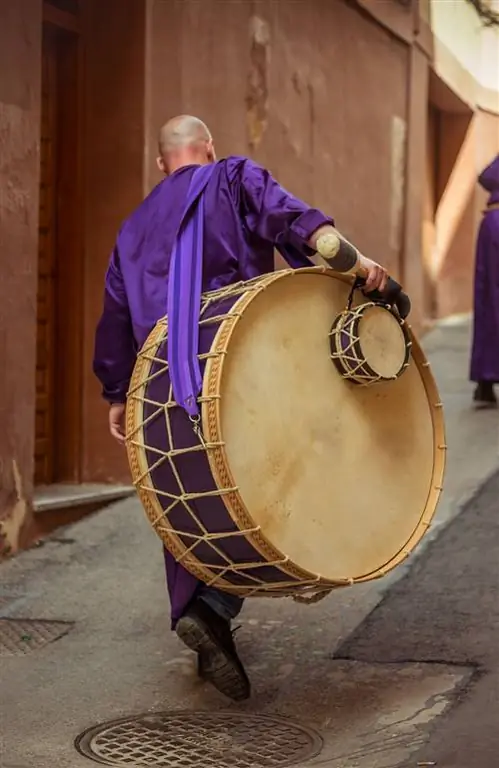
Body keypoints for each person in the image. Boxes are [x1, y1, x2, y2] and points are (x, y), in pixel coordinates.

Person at [93, 115, 388, 701]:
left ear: (162, 163)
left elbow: (115, 315)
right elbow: (301, 227)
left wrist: (117, 392)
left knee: (187, 494)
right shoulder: (232, 177)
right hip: (239, 364)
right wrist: (358, 265)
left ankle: (201, 611)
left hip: (162, 381)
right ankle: (217, 604)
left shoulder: (132, 227)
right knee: (260, 481)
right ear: (208, 148)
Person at [470, 154, 499, 408]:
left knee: (487, 300)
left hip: (491, 224)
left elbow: (486, 176)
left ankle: (485, 381)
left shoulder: (489, 221)